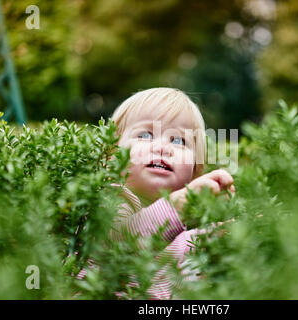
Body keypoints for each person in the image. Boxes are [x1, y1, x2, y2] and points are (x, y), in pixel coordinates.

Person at [79, 88, 235, 299]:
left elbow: (181, 254)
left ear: (195, 171)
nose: (163, 147)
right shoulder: (110, 198)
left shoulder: (186, 220)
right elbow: (122, 239)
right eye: (145, 135)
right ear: (110, 155)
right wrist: (178, 206)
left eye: (179, 141)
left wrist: (219, 233)